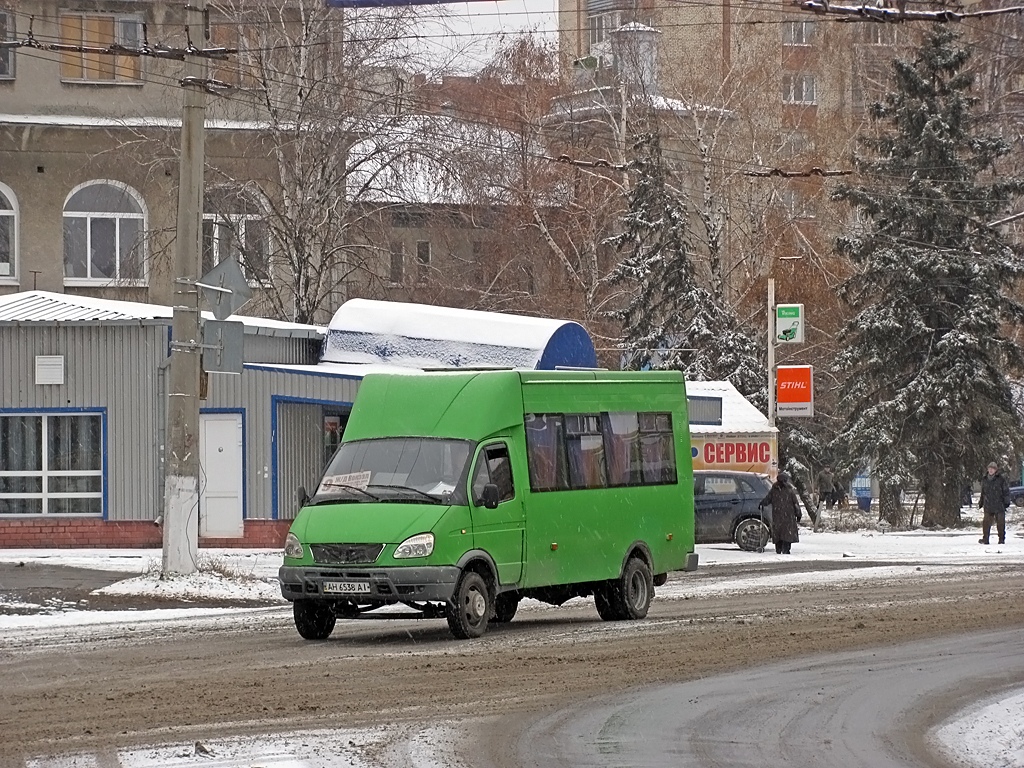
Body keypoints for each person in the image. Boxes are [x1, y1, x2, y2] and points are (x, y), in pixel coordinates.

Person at [760, 471, 801, 554]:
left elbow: (768, 499)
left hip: (777, 516)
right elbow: (795, 503)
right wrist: (798, 514)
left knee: (778, 533)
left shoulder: (774, 489)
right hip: (788, 516)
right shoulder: (789, 490)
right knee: (787, 534)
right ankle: (786, 550)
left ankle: (778, 549)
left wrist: (762, 504)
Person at [978, 461, 1009, 545]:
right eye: (990, 468)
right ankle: (985, 539)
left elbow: (1006, 491)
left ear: (996, 470)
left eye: (993, 469)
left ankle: (1001, 539)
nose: (991, 470)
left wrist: (1006, 502)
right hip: (988, 504)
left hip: (999, 504)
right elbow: (983, 492)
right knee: (986, 524)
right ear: (988, 469)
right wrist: (981, 502)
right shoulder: (985, 479)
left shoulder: (1001, 479)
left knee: (1000, 524)